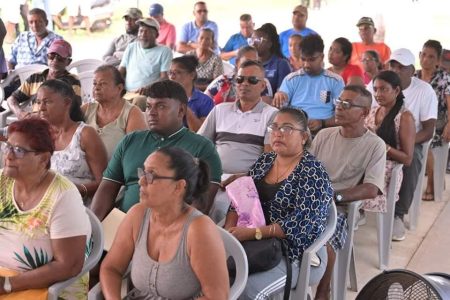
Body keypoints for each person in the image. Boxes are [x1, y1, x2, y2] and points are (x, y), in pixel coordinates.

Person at [223, 107, 332, 299]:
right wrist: (229, 233)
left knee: (247, 291)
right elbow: (239, 201)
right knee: (212, 278)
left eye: (287, 128)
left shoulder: (313, 171)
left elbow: (302, 224)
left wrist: (253, 233)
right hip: (254, 245)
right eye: (274, 127)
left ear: (304, 137)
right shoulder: (265, 161)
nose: (278, 133)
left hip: (296, 253)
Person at [100, 147, 229, 299]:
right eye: (143, 172)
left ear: (179, 186)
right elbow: (111, 268)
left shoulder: (199, 229)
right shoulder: (137, 215)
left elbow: (217, 296)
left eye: (151, 175)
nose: (141, 181)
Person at [90, 80, 222, 221]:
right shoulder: (131, 141)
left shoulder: (202, 147)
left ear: (181, 110)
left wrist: (166, 231)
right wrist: (94, 226)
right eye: (148, 106)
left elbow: (201, 205)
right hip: (123, 221)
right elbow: (107, 187)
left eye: (161, 106)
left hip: (171, 229)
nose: (151, 113)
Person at [0, 117, 91, 298]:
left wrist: (8, 284)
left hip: (45, 287)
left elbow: (69, 265)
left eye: (19, 151)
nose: (8, 156)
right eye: (8, 147)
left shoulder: (63, 195)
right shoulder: (2, 180)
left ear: (43, 159)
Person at [310, 85, 386, 300]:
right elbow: (306, 169)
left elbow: (371, 188)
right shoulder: (324, 135)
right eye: (338, 102)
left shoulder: (375, 145)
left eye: (346, 105)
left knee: (326, 237)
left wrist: (334, 197)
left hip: (340, 208)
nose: (339, 108)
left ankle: (323, 291)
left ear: (364, 113)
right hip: (311, 200)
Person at [383, 49, 437, 241]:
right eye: (393, 66)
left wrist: (403, 144)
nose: (396, 70)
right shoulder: (381, 85)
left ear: (412, 70)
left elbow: (429, 130)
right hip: (381, 139)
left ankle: (398, 213)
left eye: (401, 67)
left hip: (412, 141)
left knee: (411, 157)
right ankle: (359, 208)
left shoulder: (424, 90)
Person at [199, 60, 277, 175]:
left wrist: (243, 179)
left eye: (252, 80)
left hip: (248, 182)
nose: (244, 84)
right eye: (240, 79)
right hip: (213, 178)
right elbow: (200, 144)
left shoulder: (272, 115)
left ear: (262, 86)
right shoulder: (219, 110)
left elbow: (268, 160)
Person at [36, 79, 108, 203]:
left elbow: (105, 182)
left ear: (67, 103)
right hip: (42, 203)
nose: (41, 108)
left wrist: (79, 189)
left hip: (77, 205)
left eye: (47, 102)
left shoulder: (85, 134)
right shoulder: (38, 134)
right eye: (38, 102)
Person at [363, 70, 415, 213]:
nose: (378, 94)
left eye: (384, 89)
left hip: (388, 171)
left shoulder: (404, 117)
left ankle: (355, 213)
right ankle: (352, 215)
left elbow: (408, 159)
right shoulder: (373, 111)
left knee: (355, 189)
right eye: (375, 89)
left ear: (396, 90)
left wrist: (381, 145)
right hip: (368, 163)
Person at [273, 34, 344, 135]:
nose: (306, 64)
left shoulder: (335, 81)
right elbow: (279, 110)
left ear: (322, 57)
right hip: (294, 133)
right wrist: (278, 96)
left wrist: (322, 123)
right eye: (303, 59)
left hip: (325, 132)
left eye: (311, 59)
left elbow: (342, 114)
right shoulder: (291, 79)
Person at [82, 65, 148, 160]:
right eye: (95, 83)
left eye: (103, 84)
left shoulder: (132, 113)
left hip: (114, 173)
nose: (96, 88)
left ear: (119, 88)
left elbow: (136, 153)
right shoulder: (87, 109)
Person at [7, 39, 81, 119]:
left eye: (60, 58)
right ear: (47, 57)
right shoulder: (35, 77)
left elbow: (73, 110)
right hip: (35, 123)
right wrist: (20, 113)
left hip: (57, 124)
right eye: (51, 56)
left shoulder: (72, 81)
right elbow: (11, 99)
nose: (55, 60)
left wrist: (36, 116)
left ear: (68, 62)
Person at [415, 40, 450, 201]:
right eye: (423, 55)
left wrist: (449, 125)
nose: (426, 59)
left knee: (425, 142)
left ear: (437, 61)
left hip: (437, 123)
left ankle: (431, 183)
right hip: (416, 121)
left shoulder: (444, 78)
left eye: (431, 56)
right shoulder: (414, 76)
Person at [119, 17, 172, 110]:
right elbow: (121, 71)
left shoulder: (164, 51)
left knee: (139, 101)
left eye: (147, 32)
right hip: (128, 93)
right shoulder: (131, 47)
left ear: (156, 35)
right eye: (141, 31)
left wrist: (149, 87)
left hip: (149, 94)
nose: (143, 34)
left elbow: (165, 78)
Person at [205, 46, 273, 105]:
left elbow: (264, 107)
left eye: (255, 62)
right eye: (247, 62)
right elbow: (204, 99)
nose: (252, 65)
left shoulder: (261, 83)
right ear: (237, 62)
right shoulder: (223, 80)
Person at [168, 55, 214, 131]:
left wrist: (184, 105)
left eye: (177, 72)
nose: (172, 77)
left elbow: (201, 132)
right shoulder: (163, 97)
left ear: (192, 75)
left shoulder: (205, 101)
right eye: (170, 73)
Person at [250, 23, 291, 93]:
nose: (253, 44)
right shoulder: (249, 63)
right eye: (252, 40)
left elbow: (282, 95)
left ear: (269, 44)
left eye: (257, 40)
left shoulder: (281, 64)